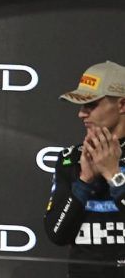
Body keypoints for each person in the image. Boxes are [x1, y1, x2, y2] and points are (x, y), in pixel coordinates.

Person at [44, 60, 125, 277]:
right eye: (81, 106)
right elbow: (57, 234)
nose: (81, 114)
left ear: (122, 105)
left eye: (91, 105)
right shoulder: (71, 159)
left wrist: (114, 176)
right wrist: (83, 182)